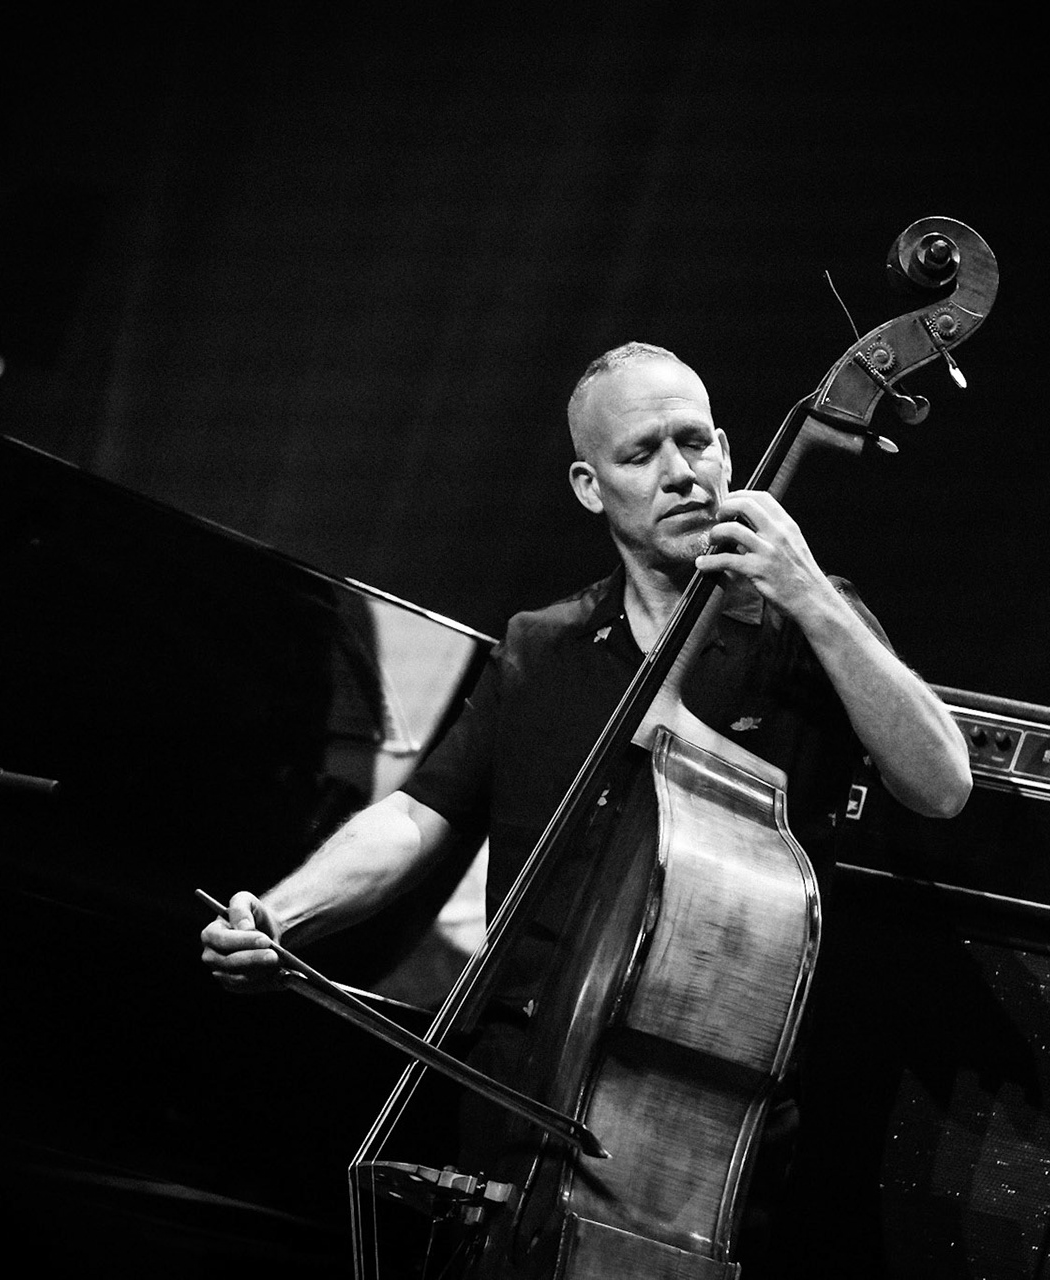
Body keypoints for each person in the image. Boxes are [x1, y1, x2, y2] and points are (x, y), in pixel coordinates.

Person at [200, 340, 970, 1262]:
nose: (681, 473)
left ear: (729, 449)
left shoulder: (810, 627)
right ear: (588, 485)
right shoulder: (542, 647)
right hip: (514, 1087)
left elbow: (941, 784)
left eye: (696, 442)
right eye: (642, 454)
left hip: (701, 1120)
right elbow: (418, 814)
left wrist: (806, 589)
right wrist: (281, 914)